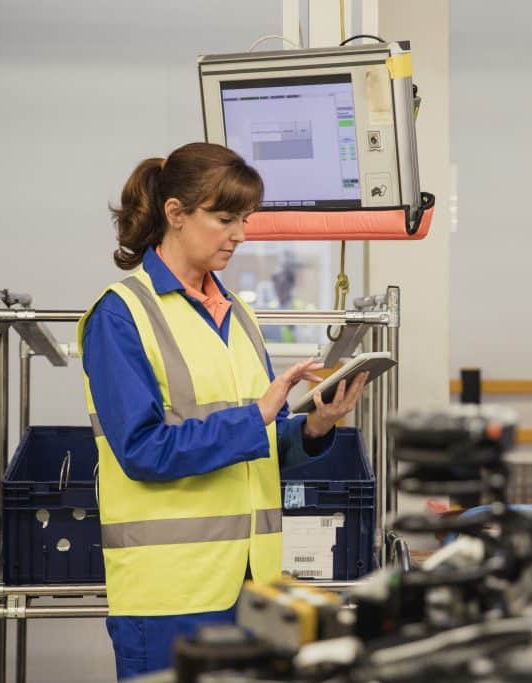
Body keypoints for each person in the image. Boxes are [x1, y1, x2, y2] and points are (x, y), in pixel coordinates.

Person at [78, 142, 368, 680]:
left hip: (254, 587)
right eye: (225, 218)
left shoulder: (238, 315)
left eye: (245, 219)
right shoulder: (120, 316)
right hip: (171, 593)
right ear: (176, 214)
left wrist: (312, 427)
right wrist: (256, 416)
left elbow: (252, 449)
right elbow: (142, 451)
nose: (240, 234)